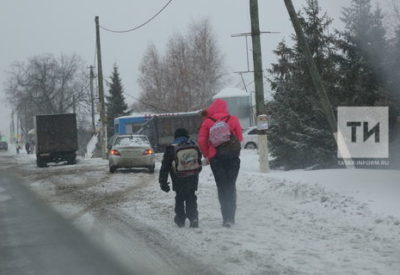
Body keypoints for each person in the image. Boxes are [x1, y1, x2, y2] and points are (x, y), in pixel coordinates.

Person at [198, 99, 243, 228]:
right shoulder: (233, 119)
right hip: (232, 158)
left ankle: (225, 218)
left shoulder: (207, 121)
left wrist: (208, 154)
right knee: (231, 185)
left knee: (221, 186)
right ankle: (231, 217)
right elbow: (239, 137)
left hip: (216, 158)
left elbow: (201, 141)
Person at [159, 128, 202, 228]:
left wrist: (163, 181)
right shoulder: (194, 145)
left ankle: (180, 219)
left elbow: (165, 166)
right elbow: (198, 159)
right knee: (191, 196)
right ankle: (193, 218)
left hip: (178, 177)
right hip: (192, 176)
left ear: (175, 137)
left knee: (179, 197)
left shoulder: (171, 148)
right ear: (187, 136)